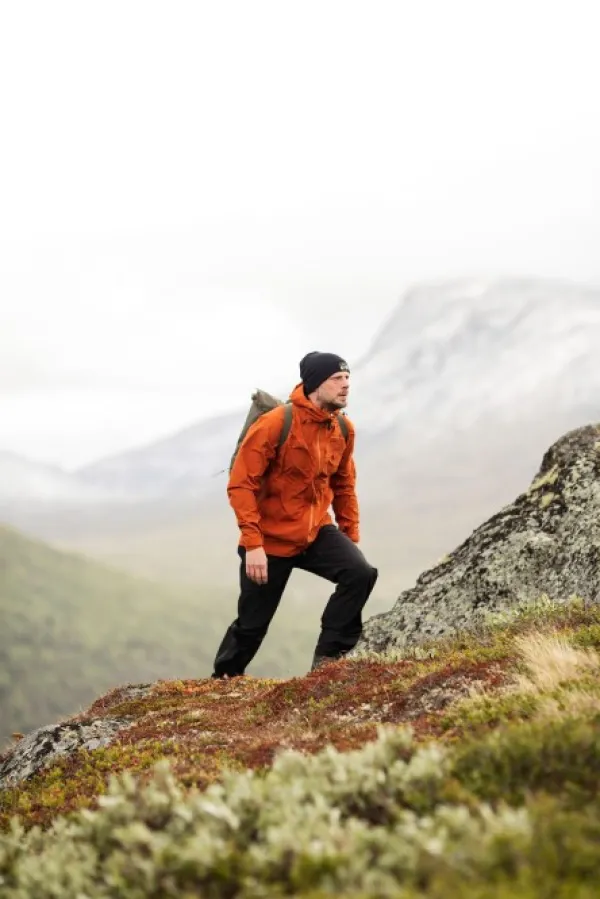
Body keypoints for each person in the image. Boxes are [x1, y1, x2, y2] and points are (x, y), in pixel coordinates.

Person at [211, 351, 378, 678]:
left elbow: (344, 485)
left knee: (360, 573)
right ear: (316, 384)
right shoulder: (275, 424)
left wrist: (349, 536)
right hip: (269, 540)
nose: (346, 386)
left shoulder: (343, 428)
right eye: (336, 379)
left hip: (315, 532)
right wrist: (253, 544)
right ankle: (223, 682)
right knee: (252, 625)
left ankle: (328, 664)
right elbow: (241, 485)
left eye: (348, 378)